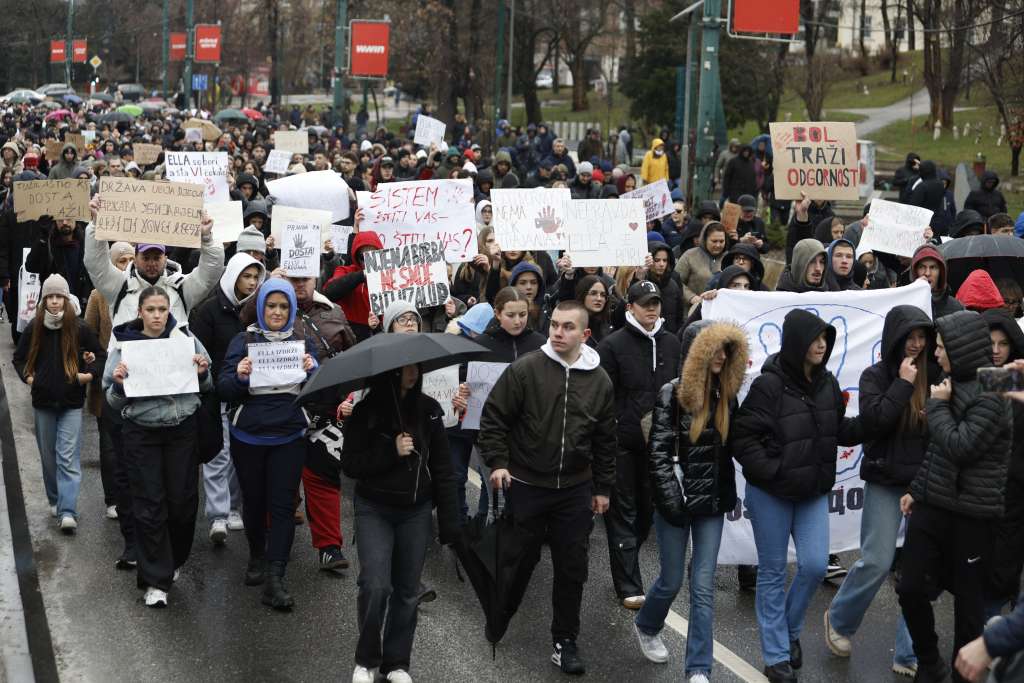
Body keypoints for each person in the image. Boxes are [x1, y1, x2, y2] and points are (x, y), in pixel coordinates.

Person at [478, 301, 617, 675]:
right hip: (527, 484)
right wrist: (498, 462)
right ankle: (501, 611)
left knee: (572, 568)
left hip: (574, 489)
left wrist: (602, 488)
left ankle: (565, 641)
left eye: (568, 327)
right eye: (554, 324)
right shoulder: (526, 369)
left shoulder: (600, 381)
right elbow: (494, 418)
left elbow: (606, 440)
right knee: (520, 561)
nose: (558, 332)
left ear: (585, 334)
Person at [731, 309, 861, 682]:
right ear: (796, 342)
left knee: (816, 565)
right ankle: (776, 656)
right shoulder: (768, 386)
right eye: (814, 338)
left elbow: (840, 429)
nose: (821, 345)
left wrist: (885, 413)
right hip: (771, 493)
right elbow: (742, 436)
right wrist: (772, 470)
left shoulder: (827, 383)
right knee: (772, 572)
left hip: (811, 492)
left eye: (825, 339)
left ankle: (787, 632)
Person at [897, 310, 1012, 683]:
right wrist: (917, 488)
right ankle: (929, 661)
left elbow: (961, 447)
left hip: (972, 514)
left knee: (968, 609)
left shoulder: (993, 391)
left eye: (942, 348)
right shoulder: (948, 383)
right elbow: (938, 451)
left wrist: (937, 407)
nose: (936, 354)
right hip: (933, 504)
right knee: (910, 586)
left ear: (961, 350)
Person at [823, 305, 936, 677]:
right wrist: (902, 384)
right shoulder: (875, 376)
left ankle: (909, 652)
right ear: (895, 338)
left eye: (922, 337)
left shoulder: (935, 374)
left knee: (918, 571)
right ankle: (839, 619)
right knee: (877, 560)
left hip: (925, 483)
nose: (916, 344)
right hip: (886, 479)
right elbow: (874, 423)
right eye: (910, 337)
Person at [634, 321, 749, 683]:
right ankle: (647, 625)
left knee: (702, 586)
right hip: (676, 503)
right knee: (670, 581)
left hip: (711, 504)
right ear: (697, 352)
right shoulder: (671, 394)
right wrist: (672, 503)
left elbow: (741, 445)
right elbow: (658, 454)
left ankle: (698, 668)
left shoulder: (728, 396)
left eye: (726, 349)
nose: (721, 356)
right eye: (714, 348)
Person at [342, 343, 460, 683]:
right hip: (374, 509)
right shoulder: (365, 412)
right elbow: (351, 465)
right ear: (389, 372)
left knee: (407, 591)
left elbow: (444, 468)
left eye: (416, 366)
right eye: (406, 367)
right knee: (376, 585)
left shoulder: (429, 410)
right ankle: (366, 660)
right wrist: (390, 451)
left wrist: (450, 524)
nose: (413, 372)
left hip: (416, 512)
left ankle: (396, 663)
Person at [103, 286, 214, 608]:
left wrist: (202, 373)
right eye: (150, 309)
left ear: (169, 312)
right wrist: (120, 386)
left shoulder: (186, 340)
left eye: (162, 309)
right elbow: (111, 399)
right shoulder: (125, 345)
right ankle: (154, 580)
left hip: (182, 429)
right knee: (149, 503)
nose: (156, 316)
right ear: (140, 312)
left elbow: (208, 384)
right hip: (142, 431)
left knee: (182, 502)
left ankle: (173, 559)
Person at [217, 279, 319, 611]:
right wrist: (239, 376)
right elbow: (223, 388)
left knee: (283, 505)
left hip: (288, 436)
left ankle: (276, 577)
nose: (277, 312)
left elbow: (321, 392)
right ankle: (257, 554)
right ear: (260, 308)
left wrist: (313, 371)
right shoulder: (243, 340)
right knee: (255, 501)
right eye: (271, 305)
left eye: (284, 306)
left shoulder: (302, 343)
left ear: (292, 310)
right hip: (249, 436)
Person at [598, 281, 681, 609]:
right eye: (645, 303)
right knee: (623, 514)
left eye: (655, 303)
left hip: (658, 446)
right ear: (630, 306)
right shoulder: (612, 345)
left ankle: (626, 562)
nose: (651, 308)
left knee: (646, 514)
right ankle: (628, 584)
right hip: (621, 443)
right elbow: (602, 395)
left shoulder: (672, 343)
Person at [13, 274, 104, 533]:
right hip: (43, 402)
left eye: (59, 296)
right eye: (50, 297)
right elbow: (19, 358)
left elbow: (100, 355)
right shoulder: (35, 326)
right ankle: (55, 499)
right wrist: (30, 378)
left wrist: (88, 374)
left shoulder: (79, 327)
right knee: (48, 457)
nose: (54, 301)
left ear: (66, 298)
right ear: (44, 300)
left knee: (68, 456)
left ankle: (68, 510)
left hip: (71, 402)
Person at [189, 253, 267, 545]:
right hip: (215, 394)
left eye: (256, 277)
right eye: (246, 276)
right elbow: (199, 350)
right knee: (218, 455)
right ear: (233, 276)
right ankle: (218, 515)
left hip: (246, 393)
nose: (252, 282)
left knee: (239, 454)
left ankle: (234, 506)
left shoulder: (259, 310)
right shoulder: (209, 311)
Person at [288, 272, 356, 572]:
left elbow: (351, 353)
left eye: (305, 278)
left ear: (315, 280)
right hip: (286, 409)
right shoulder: (271, 306)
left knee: (324, 477)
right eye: (293, 279)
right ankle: (271, 542)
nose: (299, 284)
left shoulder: (334, 311)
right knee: (282, 478)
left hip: (327, 408)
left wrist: (349, 394)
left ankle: (329, 547)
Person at [84, 198, 224, 328]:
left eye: (156, 258)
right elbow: (96, 263)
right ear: (135, 259)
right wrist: (96, 225)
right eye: (146, 258)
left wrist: (207, 239)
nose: (151, 263)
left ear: (165, 258)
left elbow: (210, 273)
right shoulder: (119, 286)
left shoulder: (182, 288)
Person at [84, 242, 133, 524]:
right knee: (109, 442)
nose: (127, 265)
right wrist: (94, 359)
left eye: (131, 259)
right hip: (106, 374)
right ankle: (112, 498)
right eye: (121, 260)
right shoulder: (98, 294)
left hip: (136, 376)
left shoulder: (141, 291)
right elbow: (87, 333)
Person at [982, 309, 1024, 621]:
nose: (996, 351)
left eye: (1003, 344)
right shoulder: (979, 377)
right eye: (990, 343)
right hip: (986, 491)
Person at [676, 223, 726, 311]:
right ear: (705, 240)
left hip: (720, 312)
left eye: (721, 241)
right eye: (714, 241)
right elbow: (676, 281)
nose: (718, 245)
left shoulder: (728, 258)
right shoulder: (690, 255)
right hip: (693, 311)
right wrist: (691, 297)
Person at [908, 244, 964, 319]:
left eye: (933, 267)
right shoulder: (905, 304)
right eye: (922, 267)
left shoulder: (956, 308)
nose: (927, 273)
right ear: (915, 271)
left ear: (941, 271)